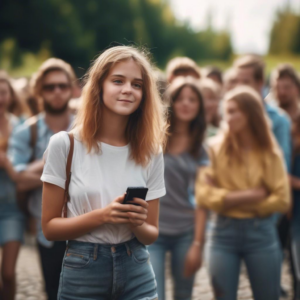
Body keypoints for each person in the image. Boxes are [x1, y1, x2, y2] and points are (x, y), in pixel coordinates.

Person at [41, 46, 167, 300]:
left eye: (137, 84)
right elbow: (50, 228)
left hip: (137, 267)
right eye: (118, 81)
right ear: (99, 85)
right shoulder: (65, 144)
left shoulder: (151, 151)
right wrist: (104, 215)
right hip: (83, 267)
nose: (128, 90)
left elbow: (151, 233)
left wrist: (136, 221)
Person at [196, 85, 290, 300]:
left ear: (250, 114)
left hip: (261, 232)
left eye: (233, 111)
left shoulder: (269, 153)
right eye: (226, 111)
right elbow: (202, 195)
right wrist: (251, 196)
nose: (226, 117)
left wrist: (226, 198)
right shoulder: (212, 149)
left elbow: (282, 199)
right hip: (222, 233)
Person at [9, 58, 76, 300]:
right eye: (50, 87)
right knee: (53, 291)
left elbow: (28, 175)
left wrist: (39, 171)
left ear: (72, 88)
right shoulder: (27, 131)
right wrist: (60, 164)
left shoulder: (87, 125)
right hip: (45, 226)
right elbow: (19, 179)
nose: (57, 92)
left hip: (85, 225)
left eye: (62, 85)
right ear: (39, 91)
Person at [148, 76, 208, 300]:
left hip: (186, 231)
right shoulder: (154, 140)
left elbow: (203, 200)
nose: (185, 103)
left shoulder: (201, 149)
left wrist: (198, 244)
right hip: (153, 230)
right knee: (154, 295)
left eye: (192, 99)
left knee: (184, 294)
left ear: (199, 106)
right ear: (170, 102)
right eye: (180, 98)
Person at [271, 64, 300, 300]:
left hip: (296, 194)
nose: (282, 91)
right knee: (274, 248)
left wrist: (291, 181)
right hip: (275, 194)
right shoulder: (270, 119)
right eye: (278, 86)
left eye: (287, 86)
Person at [0, 74, 26, 300]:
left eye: (3, 92)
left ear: (10, 95)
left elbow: (25, 166)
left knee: (7, 273)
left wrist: (6, 163)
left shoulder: (20, 126)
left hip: (12, 207)